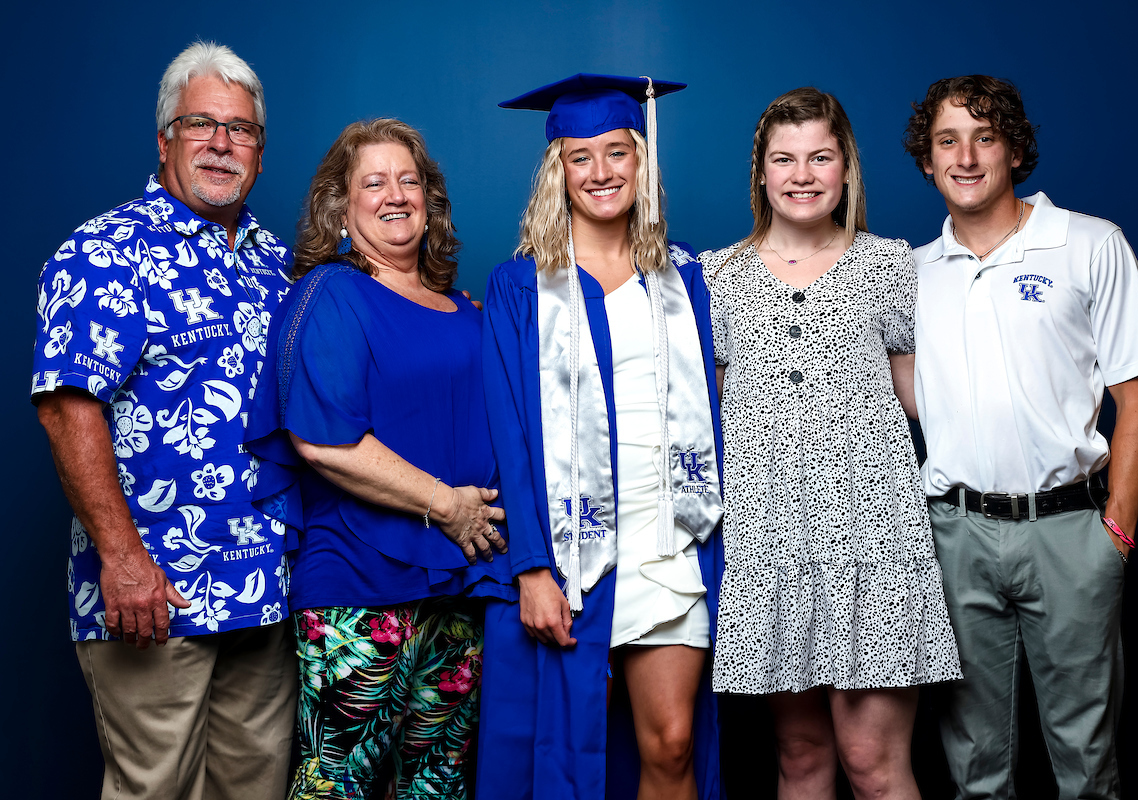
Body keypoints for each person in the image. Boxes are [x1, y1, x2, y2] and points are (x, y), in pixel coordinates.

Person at [31, 41, 296, 799]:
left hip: (263, 594)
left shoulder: (278, 262)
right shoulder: (104, 251)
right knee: (157, 790)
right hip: (155, 595)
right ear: (165, 140)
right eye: (200, 124)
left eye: (240, 129)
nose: (220, 143)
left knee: (256, 789)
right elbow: (65, 407)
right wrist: (121, 558)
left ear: (260, 151)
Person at [899, 75, 1138, 800]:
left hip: (1071, 530)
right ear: (926, 159)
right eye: (946, 141)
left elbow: (1137, 400)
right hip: (955, 534)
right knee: (973, 760)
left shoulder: (1088, 244)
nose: (965, 156)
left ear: (1014, 149)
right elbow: (914, 403)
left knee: (1086, 760)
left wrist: (1118, 533)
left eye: (984, 137)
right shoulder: (910, 274)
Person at [699, 87, 962, 800]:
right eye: (784, 159)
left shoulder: (889, 264)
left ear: (846, 167)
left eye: (821, 156)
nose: (803, 174)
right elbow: (703, 413)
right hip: (770, 540)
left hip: (872, 542)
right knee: (801, 757)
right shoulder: (716, 277)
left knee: (873, 763)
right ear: (761, 172)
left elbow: (924, 401)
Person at [244, 118, 514, 800]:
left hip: (458, 581)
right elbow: (322, 439)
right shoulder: (331, 294)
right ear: (339, 206)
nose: (396, 194)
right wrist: (448, 504)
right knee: (341, 782)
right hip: (361, 587)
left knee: (437, 784)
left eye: (409, 180)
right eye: (374, 181)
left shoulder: (465, 307)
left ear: (430, 199)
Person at [476, 74, 725, 800]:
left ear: (641, 162)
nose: (601, 172)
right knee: (569, 752)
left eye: (617, 152)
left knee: (673, 742)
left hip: (670, 537)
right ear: (557, 172)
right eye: (580, 157)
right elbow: (512, 437)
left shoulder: (683, 277)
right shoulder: (520, 287)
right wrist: (530, 567)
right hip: (571, 548)